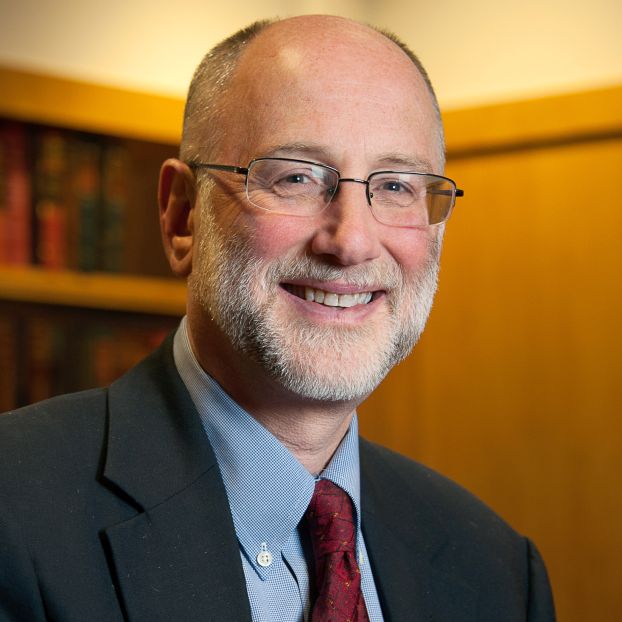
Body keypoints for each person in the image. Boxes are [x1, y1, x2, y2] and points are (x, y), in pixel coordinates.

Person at [0, 14, 555, 622]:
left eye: (396, 187)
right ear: (182, 216)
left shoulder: (495, 570)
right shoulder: (16, 510)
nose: (351, 241)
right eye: (295, 177)